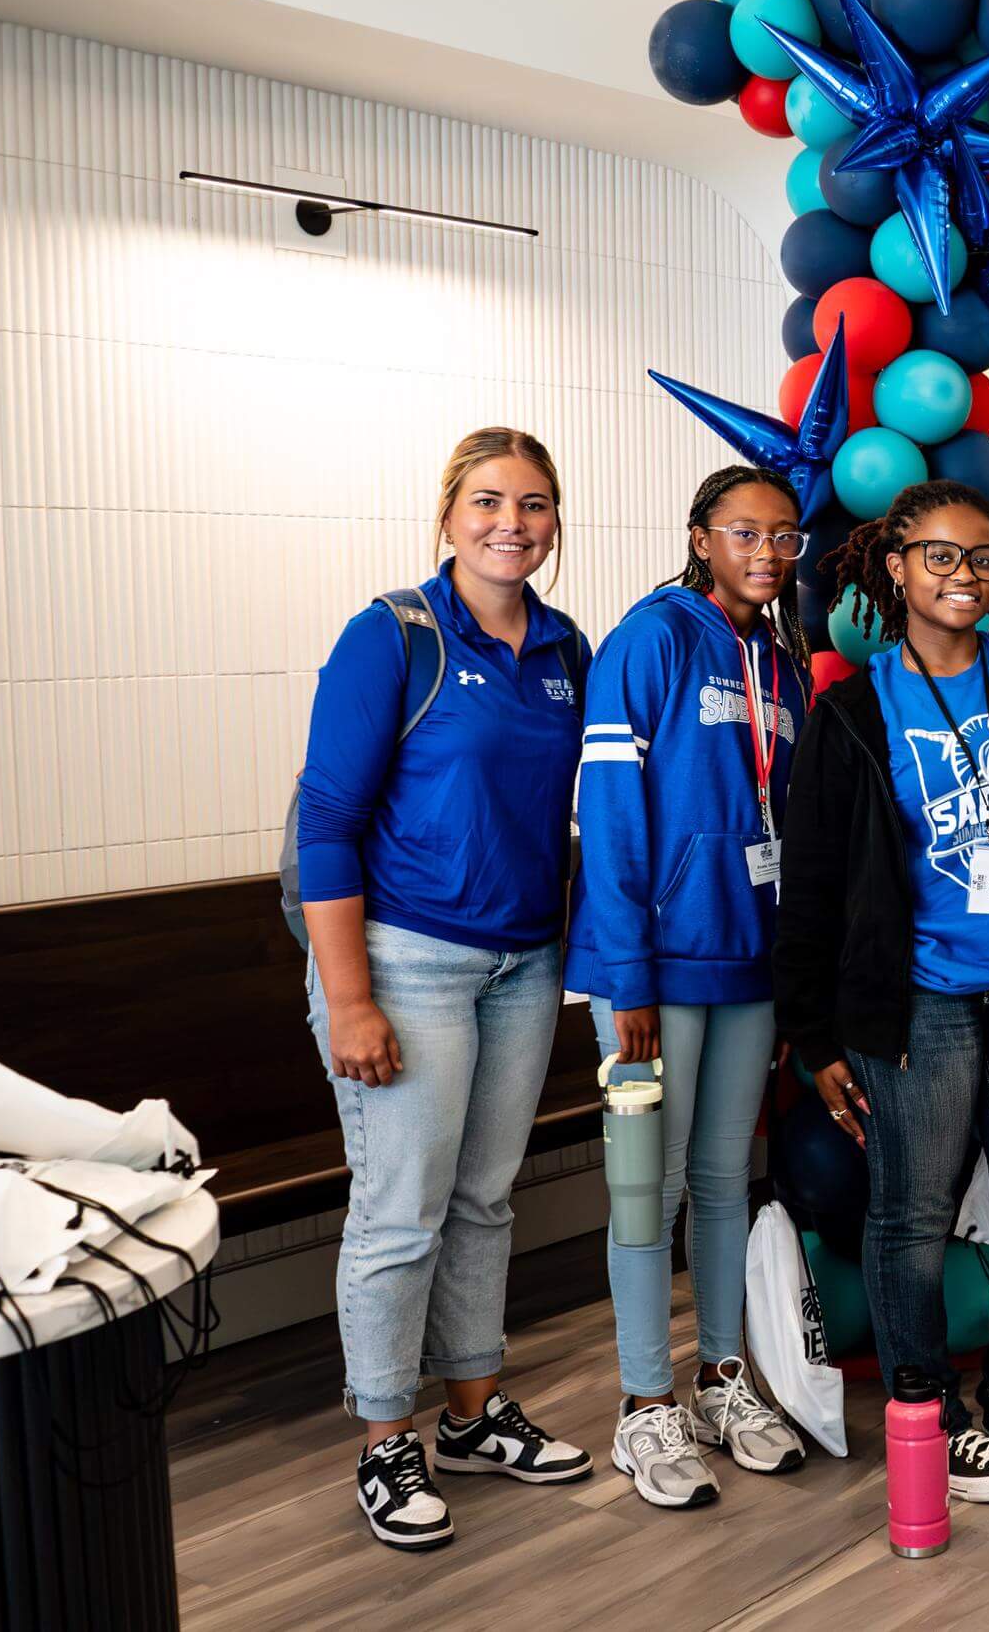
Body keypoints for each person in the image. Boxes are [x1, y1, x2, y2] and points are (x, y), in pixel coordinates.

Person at [775, 479, 989, 1505]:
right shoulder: (854, 708)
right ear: (895, 568)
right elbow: (818, 879)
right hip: (916, 993)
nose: (963, 577)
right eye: (939, 558)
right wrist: (816, 1031)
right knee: (911, 1213)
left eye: (982, 560)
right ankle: (929, 1408)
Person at [294, 428, 595, 1550]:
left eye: (532, 504)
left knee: (483, 1202)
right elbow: (324, 823)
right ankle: (384, 1446)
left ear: (555, 520)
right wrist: (352, 995)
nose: (509, 523)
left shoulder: (567, 648)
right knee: (400, 1214)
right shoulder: (392, 636)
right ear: (447, 513)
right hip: (407, 959)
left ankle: (472, 1416)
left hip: (525, 965)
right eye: (486, 502)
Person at [566, 466, 812, 1507]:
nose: (765, 551)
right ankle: (640, 1404)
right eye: (743, 532)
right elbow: (611, 811)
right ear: (701, 538)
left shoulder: (784, 665)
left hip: (747, 965)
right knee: (644, 1189)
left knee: (720, 1182)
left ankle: (718, 1377)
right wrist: (624, 974)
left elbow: (785, 827)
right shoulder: (650, 638)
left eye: (783, 536)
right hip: (648, 975)